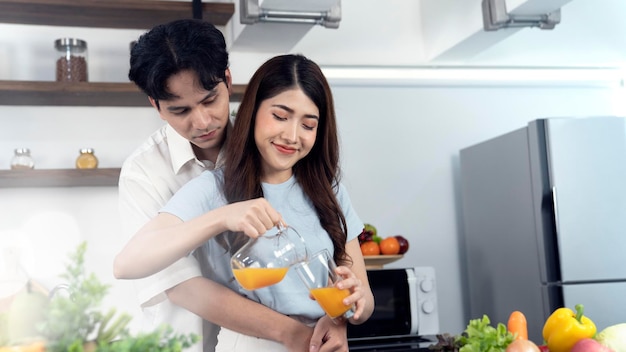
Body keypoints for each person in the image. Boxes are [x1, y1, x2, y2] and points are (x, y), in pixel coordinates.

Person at [114, 54, 375, 352]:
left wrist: (345, 313)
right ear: (253, 111)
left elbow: (362, 298)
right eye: (279, 116)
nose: (291, 136)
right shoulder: (213, 187)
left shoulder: (328, 190)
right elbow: (126, 263)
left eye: (308, 124)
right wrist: (222, 217)